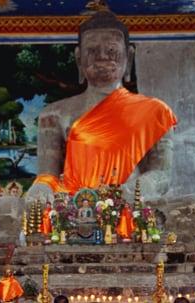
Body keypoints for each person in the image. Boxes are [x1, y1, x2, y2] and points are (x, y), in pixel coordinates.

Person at [27, 10, 176, 202]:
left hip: (131, 203)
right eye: (92, 50)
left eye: (112, 50)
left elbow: (162, 174)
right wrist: (41, 189)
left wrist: (137, 189)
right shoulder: (54, 114)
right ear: (78, 58)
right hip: (75, 206)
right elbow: (48, 175)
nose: (102, 56)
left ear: (129, 57)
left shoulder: (156, 111)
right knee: (4, 206)